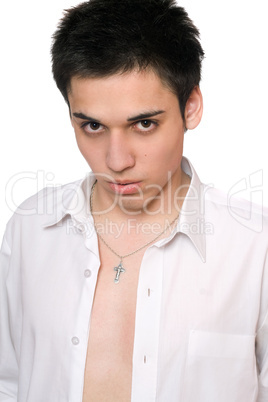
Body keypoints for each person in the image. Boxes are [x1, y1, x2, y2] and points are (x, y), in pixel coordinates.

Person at [0, 0, 267, 401]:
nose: (116, 161)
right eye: (92, 125)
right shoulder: (30, 229)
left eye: (144, 124)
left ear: (190, 107)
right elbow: (11, 381)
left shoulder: (255, 245)